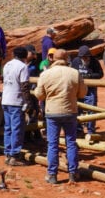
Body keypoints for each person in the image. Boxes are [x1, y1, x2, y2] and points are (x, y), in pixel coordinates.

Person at [35, 48, 87, 185]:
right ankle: (73, 173)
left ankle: (52, 175)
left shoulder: (46, 74)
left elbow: (40, 95)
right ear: (67, 58)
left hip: (52, 112)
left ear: (53, 58)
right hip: (70, 111)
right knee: (71, 143)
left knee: (52, 144)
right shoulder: (75, 73)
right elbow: (82, 93)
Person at [1, 46, 31, 166]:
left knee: (8, 128)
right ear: (24, 56)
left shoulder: (7, 65)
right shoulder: (23, 67)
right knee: (17, 129)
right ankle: (15, 155)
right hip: (16, 100)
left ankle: (8, 153)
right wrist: (28, 102)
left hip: (6, 99)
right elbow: (24, 86)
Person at [71, 45, 103, 136]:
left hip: (91, 90)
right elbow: (71, 73)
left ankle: (91, 131)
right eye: (82, 57)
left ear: (89, 56)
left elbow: (100, 74)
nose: (84, 59)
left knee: (91, 109)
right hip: (78, 90)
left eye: (86, 57)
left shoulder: (94, 62)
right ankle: (78, 130)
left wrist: (90, 76)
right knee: (77, 109)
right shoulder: (75, 61)